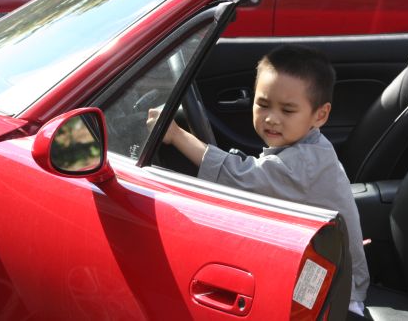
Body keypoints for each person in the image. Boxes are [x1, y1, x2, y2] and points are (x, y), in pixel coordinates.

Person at [147, 44, 369, 315]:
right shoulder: (309, 146)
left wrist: (178, 136)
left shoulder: (305, 164)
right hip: (326, 267)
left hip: (335, 298)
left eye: (287, 111)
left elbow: (239, 177)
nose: (272, 118)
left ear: (320, 115)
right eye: (263, 104)